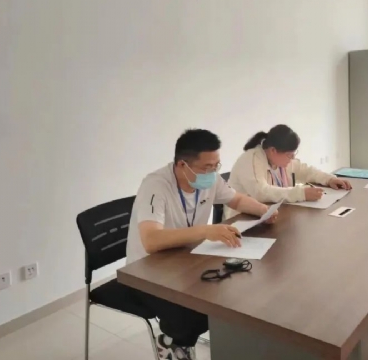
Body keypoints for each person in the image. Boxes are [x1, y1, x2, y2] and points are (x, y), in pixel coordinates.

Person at [126, 129, 278, 360]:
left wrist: (263, 211)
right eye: (207, 167)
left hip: (186, 260)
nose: (213, 173)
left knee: (235, 297)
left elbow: (236, 199)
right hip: (148, 272)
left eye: (216, 166)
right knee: (194, 316)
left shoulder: (209, 179)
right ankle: (170, 342)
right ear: (182, 165)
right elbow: (151, 240)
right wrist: (206, 231)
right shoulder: (156, 186)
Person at [225, 124, 352, 219]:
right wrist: (301, 193)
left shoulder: (280, 160)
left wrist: (330, 179)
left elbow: (306, 171)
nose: (292, 158)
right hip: (244, 220)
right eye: (289, 155)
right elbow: (261, 192)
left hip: (271, 215)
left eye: (293, 154)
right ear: (273, 150)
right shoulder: (251, 159)